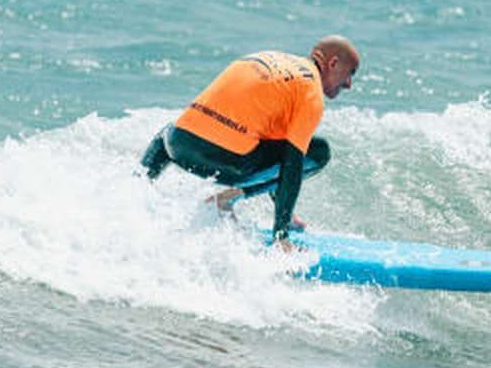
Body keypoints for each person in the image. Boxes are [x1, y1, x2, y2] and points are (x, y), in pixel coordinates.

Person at [140, 35, 360, 252]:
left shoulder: (270, 58)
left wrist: (283, 208)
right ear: (332, 63)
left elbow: (274, 148)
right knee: (319, 152)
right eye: (350, 73)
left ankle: (136, 191)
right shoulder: (309, 91)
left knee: (168, 131)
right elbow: (291, 166)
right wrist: (281, 235)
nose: (349, 84)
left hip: (178, 145)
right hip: (226, 162)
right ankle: (227, 201)